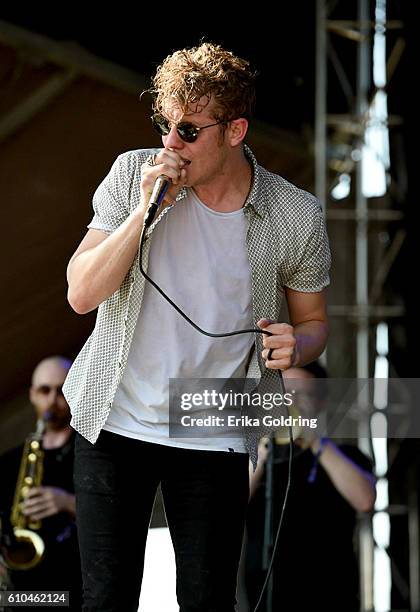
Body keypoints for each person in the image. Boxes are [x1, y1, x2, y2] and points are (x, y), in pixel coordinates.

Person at [63, 42, 331, 611]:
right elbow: (81, 294)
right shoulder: (133, 175)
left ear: (235, 131)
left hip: (212, 420)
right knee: (105, 599)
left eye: (187, 130)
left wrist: (297, 344)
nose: (169, 144)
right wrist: (144, 213)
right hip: (116, 416)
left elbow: (313, 325)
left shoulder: (294, 215)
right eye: (164, 124)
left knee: (209, 600)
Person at [245, 362, 376, 612]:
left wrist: (314, 439)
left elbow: (365, 500)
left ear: (321, 402)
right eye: (284, 393)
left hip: (332, 594)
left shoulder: (347, 455)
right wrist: (260, 451)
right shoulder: (259, 457)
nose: (290, 401)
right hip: (265, 594)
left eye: (302, 394)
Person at [0, 356, 82, 611]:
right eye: (45, 390)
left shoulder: (94, 456)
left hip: (73, 587)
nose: (52, 400)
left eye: (61, 390)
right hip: (21, 591)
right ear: (33, 395)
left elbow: (121, 516)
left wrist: (67, 502)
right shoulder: (10, 461)